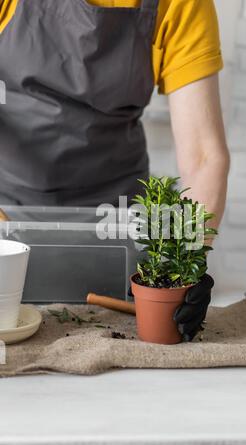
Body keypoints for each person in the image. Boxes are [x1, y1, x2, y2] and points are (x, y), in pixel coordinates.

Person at [0, 0, 230, 341]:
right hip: (9, 218)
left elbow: (203, 158)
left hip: (120, 230)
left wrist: (185, 265)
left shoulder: (181, 4)